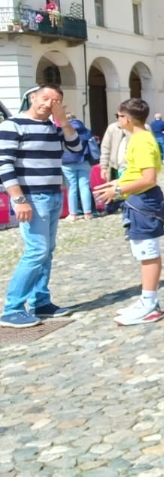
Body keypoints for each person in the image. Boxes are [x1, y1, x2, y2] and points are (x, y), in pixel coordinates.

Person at [0, 84, 82, 328]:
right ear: (32, 97)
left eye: (55, 101)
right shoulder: (12, 125)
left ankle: (41, 301)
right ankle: (12, 308)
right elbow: (4, 164)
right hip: (32, 198)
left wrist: (63, 123)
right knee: (36, 251)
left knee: (47, 251)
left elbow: (76, 150)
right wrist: (19, 199)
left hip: (53, 195)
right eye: (45, 98)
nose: (48, 104)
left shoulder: (51, 127)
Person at [94, 98, 164, 325]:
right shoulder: (139, 138)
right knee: (142, 251)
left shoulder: (142, 141)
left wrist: (117, 189)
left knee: (148, 252)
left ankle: (150, 303)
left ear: (126, 118)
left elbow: (148, 178)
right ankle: (146, 299)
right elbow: (135, 173)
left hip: (143, 202)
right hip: (136, 200)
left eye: (118, 116)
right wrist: (115, 185)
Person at [61, 113, 95, 221]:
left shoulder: (62, 130)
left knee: (72, 188)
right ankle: (88, 213)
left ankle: (73, 214)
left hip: (67, 162)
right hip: (83, 160)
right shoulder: (85, 130)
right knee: (84, 187)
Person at [99, 116, 129, 182]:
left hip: (133, 169)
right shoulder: (112, 128)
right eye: (117, 116)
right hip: (115, 168)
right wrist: (104, 167)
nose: (119, 118)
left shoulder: (141, 128)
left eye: (121, 116)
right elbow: (105, 148)